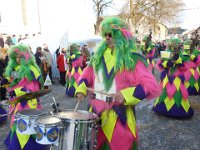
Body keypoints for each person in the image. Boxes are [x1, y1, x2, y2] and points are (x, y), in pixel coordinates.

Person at [75, 17, 161, 150]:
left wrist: (126, 95)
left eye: (111, 34)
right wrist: (81, 89)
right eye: (105, 34)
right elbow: (85, 75)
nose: (107, 38)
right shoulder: (97, 57)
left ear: (122, 35)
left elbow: (149, 85)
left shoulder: (132, 58)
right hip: (95, 115)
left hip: (119, 116)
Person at [4, 44, 48, 150]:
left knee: (29, 126)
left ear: (26, 57)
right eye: (16, 57)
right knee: (17, 124)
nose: (18, 59)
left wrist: (16, 92)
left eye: (20, 57)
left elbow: (33, 90)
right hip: (17, 103)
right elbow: (13, 82)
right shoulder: (17, 69)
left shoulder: (32, 70)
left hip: (29, 104)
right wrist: (6, 82)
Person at [153, 38, 194, 118]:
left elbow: (185, 67)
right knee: (165, 92)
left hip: (177, 78)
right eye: (172, 45)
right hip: (167, 78)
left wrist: (178, 61)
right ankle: (164, 109)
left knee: (177, 92)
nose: (174, 47)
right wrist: (166, 64)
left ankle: (177, 110)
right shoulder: (165, 53)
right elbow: (159, 65)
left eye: (175, 45)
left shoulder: (183, 54)